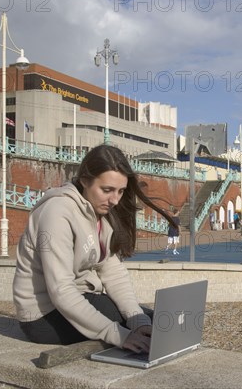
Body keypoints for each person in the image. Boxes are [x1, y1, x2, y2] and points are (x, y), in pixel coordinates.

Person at [13, 145, 176, 353]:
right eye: (107, 190)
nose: (115, 200)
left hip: (82, 297)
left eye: (121, 191)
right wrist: (120, 335)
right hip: (43, 316)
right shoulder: (57, 213)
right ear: (84, 180)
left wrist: (139, 321)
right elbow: (60, 290)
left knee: (153, 322)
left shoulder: (101, 213)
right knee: (127, 326)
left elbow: (113, 272)